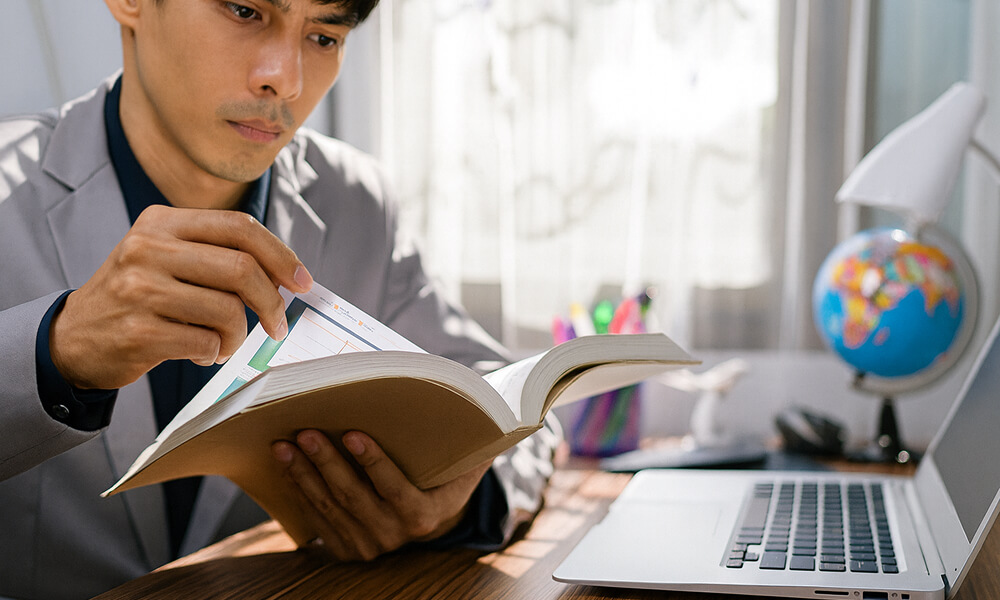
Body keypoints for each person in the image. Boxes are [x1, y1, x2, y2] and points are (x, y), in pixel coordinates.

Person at [0, 1, 559, 598]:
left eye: (324, 37)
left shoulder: (359, 202)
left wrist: (453, 507)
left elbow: (511, 408)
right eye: (246, 11)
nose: (285, 79)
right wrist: (57, 351)